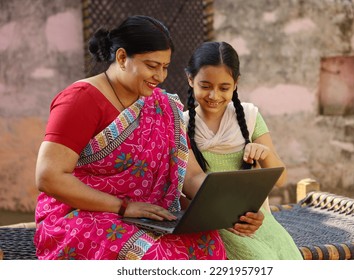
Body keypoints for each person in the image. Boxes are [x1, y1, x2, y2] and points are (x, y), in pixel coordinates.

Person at [34, 15, 233, 260]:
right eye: (152, 66)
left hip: (147, 214)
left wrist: (230, 207)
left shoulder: (162, 105)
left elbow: (191, 176)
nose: (160, 76)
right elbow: (49, 176)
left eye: (165, 66)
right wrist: (123, 207)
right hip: (81, 215)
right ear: (121, 58)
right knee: (149, 255)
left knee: (207, 242)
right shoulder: (80, 99)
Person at [184, 41, 303, 260]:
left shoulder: (249, 117)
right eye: (205, 85)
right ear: (190, 79)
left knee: (289, 258)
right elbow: (184, 190)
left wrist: (264, 153)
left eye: (224, 88)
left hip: (254, 219)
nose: (214, 95)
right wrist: (221, 215)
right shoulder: (180, 125)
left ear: (236, 84)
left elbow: (281, 178)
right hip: (210, 224)